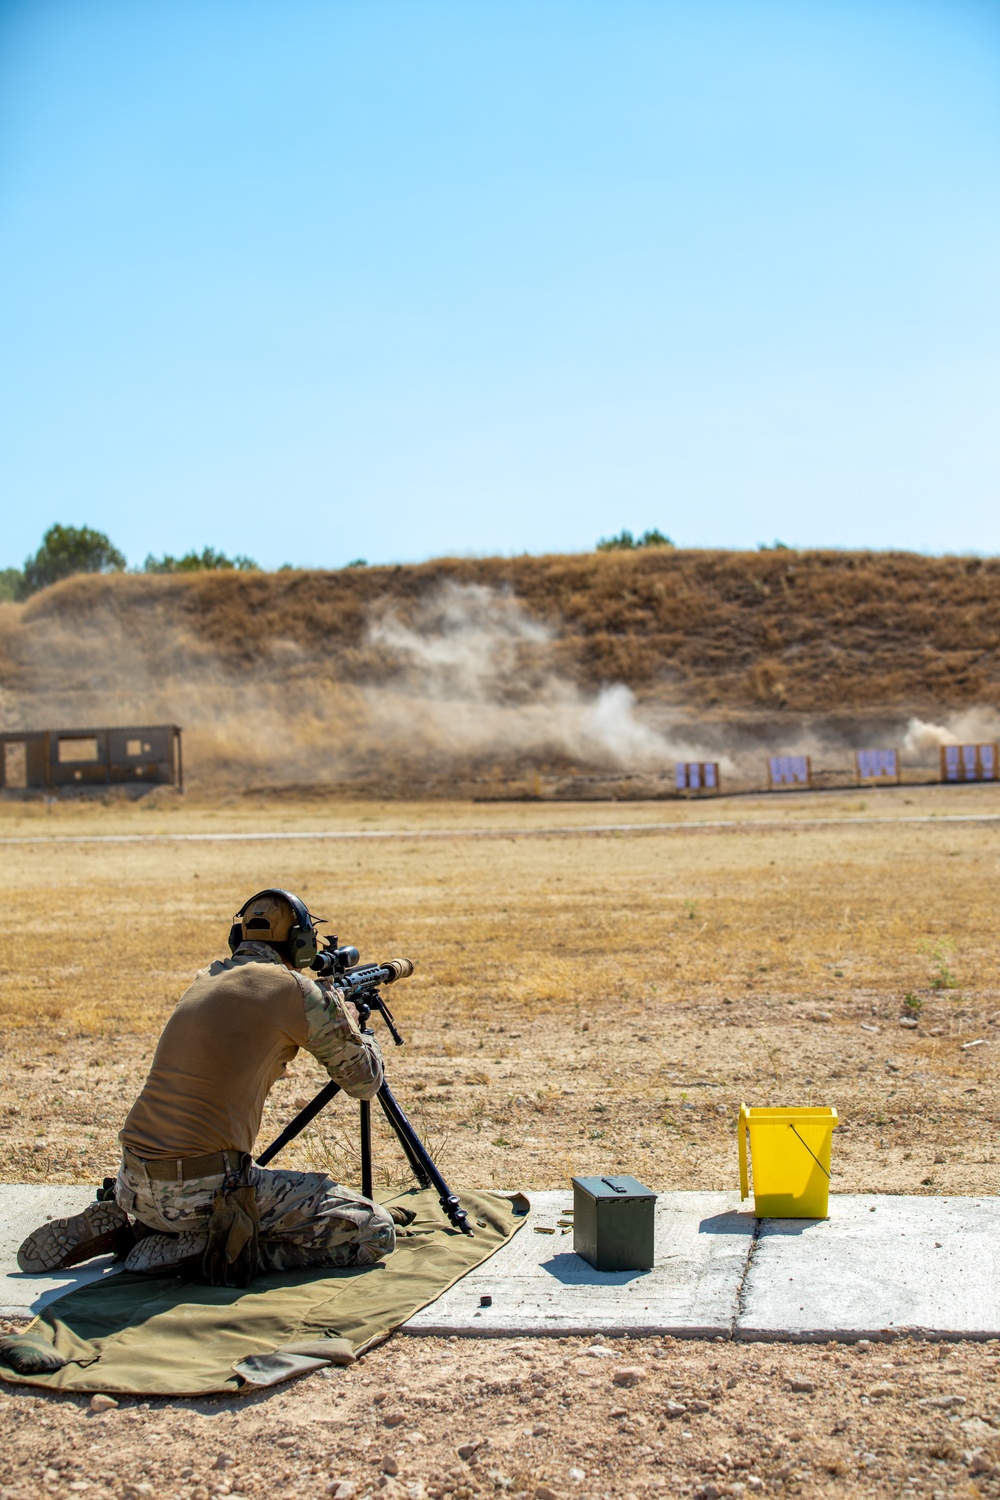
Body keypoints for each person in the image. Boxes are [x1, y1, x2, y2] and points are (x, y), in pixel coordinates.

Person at [18, 889, 400, 1285]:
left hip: (132, 1179)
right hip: (201, 1192)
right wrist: (349, 1020)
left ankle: (135, 1223)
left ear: (239, 939)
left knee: (194, 1186)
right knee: (375, 1231)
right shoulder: (300, 993)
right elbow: (364, 1082)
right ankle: (209, 1248)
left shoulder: (206, 977)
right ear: (301, 945)